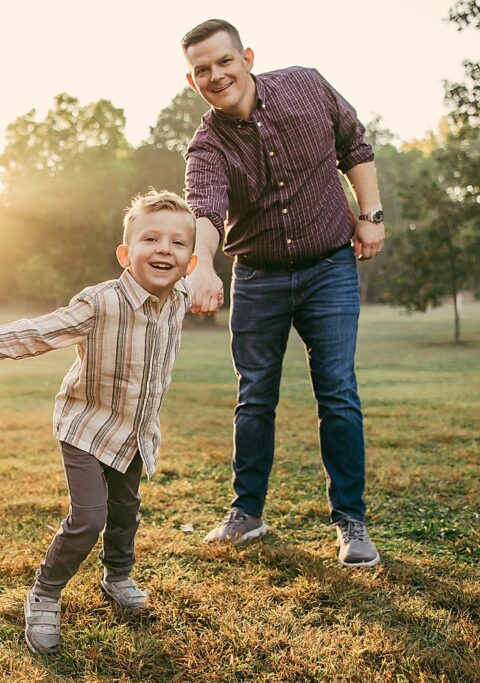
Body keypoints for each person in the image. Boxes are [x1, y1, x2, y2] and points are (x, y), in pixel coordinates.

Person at [0, 190, 197, 654]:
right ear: (125, 254)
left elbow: (207, 238)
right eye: (151, 239)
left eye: (177, 243)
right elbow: (32, 333)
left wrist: (209, 274)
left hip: (134, 433)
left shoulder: (181, 296)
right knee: (90, 518)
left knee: (126, 511)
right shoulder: (100, 304)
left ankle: (117, 576)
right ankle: (45, 594)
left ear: (190, 262)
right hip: (85, 427)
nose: (164, 250)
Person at [181, 19, 385, 567]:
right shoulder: (206, 145)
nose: (216, 75)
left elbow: (354, 144)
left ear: (246, 57)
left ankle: (351, 521)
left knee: (337, 391)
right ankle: (247, 514)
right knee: (254, 397)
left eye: (224, 61)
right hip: (258, 276)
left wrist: (370, 215)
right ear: (192, 80)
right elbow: (205, 209)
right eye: (203, 70)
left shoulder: (305, 86)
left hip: (329, 266)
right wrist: (202, 266)